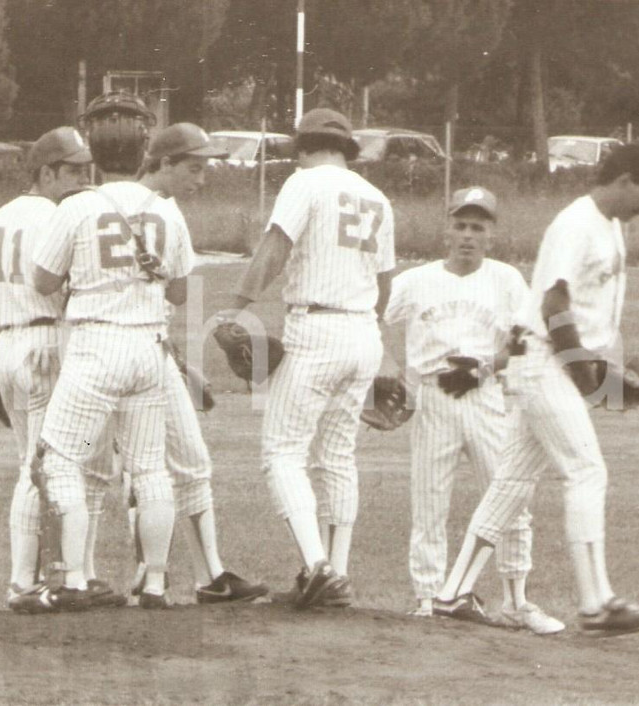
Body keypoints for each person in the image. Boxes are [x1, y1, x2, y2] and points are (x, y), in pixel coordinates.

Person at [435, 144, 639, 636]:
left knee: (511, 483)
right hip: (544, 360)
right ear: (625, 180)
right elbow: (554, 305)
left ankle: (452, 592)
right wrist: (587, 378)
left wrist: (605, 368)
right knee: (586, 470)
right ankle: (596, 603)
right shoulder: (576, 223)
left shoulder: (611, 227)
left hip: (553, 361)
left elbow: (591, 313)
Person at [221, 108, 396, 608]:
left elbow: (275, 249)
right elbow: (385, 281)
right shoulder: (377, 197)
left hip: (316, 328)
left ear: (302, 147)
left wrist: (237, 306)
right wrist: (373, 343)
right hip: (363, 331)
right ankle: (336, 573)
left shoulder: (304, 183)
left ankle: (318, 568)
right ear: (347, 149)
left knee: (282, 451)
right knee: (337, 457)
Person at [28, 91, 192, 611]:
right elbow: (180, 292)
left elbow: (42, 280)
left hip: (97, 348)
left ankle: (75, 580)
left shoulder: (78, 205)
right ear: (144, 149)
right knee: (149, 469)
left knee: (60, 460)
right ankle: (157, 583)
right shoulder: (166, 210)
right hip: (148, 350)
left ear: (93, 152)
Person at [382, 187, 565, 635]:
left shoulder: (505, 279)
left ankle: (516, 601)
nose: (467, 235)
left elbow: (527, 338)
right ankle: (429, 598)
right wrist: (389, 372)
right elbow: (370, 315)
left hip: (485, 396)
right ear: (446, 230)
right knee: (429, 503)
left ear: (491, 235)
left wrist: (487, 366)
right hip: (433, 396)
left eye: (477, 227)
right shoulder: (415, 280)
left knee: (510, 498)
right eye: (460, 225)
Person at [0, 126, 129, 611]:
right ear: (45, 173)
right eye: (73, 171)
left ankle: (61, 574)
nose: (84, 179)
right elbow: (65, 290)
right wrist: (50, 343)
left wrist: (4, 348)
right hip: (48, 345)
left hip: (11, 343)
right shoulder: (56, 216)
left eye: (87, 169)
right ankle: (26, 582)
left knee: (47, 460)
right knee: (45, 464)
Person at [122, 122, 268, 604]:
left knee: (188, 461)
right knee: (115, 463)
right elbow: (179, 292)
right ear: (163, 162)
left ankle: (210, 577)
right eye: (194, 168)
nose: (201, 179)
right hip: (115, 356)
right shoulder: (157, 211)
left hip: (149, 350)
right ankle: (107, 576)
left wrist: (178, 359)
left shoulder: (126, 205)